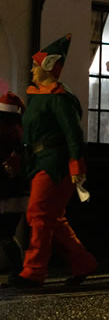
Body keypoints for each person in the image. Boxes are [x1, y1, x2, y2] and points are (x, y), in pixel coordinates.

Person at [4, 34, 97, 288]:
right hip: (39, 162)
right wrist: (20, 157)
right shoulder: (36, 96)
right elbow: (30, 134)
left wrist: (77, 166)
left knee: (39, 213)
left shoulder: (58, 98)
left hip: (55, 164)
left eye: (36, 65)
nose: (31, 69)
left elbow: (72, 134)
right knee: (52, 218)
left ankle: (34, 271)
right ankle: (82, 262)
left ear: (47, 67)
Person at [0, 92, 29, 277]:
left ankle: (20, 269)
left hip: (4, 190)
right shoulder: (21, 132)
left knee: (4, 235)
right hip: (17, 192)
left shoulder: (3, 131)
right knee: (6, 235)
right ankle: (20, 269)